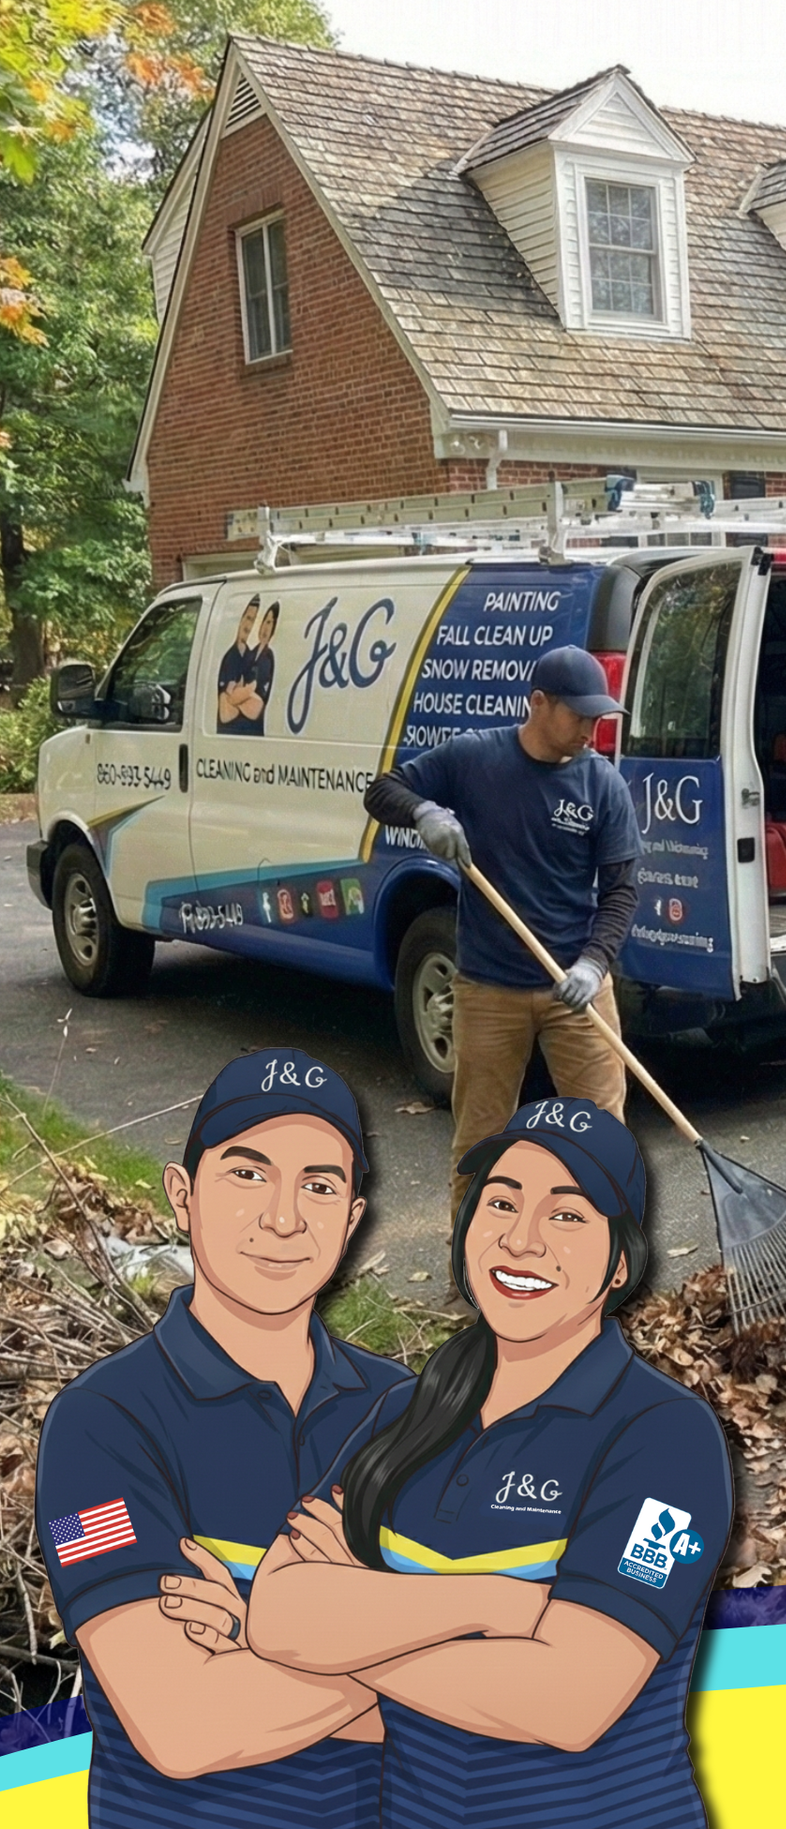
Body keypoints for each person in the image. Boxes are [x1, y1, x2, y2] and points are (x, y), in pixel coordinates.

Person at [244, 1099, 732, 1829]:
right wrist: (493, 1604)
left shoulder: (665, 1438)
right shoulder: (406, 1415)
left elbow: (568, 1700)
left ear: (620, 1260)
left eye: (567, 1216)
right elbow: (277, 1612)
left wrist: (349, 1632)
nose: (522, 1239)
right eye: (501, 1202)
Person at [35, 1051, 410, 1827]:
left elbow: (515, 1716)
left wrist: (259, 1645)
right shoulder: (99, 1426)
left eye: (318, 1185)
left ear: (350, 1218)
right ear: (183, 1195)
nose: (283, 1217)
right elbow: (182, 1724)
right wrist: (408, 1648)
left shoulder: (405, 1413)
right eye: (247, 1174)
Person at [362, 646, 642, 1218]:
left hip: (576, 990)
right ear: (538, 703)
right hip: (489, 989)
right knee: (481, 1143)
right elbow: (381, 790)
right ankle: (471, 1277)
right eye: (580, 716)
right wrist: (424, 813)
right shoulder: (475, 759)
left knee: (601, 1139)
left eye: (598, 718)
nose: (591, 729)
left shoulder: (603, 786)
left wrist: (593, 964)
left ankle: (603, 1274)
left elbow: (621, 891)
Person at [228, 601, 279, 736]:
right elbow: (232, 688)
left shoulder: (268, 658)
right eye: (265, 621)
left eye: (270, 622)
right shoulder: (249, 654)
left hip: (254, 730)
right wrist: (241, 694)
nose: (265, 628)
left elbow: (258, 703)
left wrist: (235, 698)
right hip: (236, 730)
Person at [215, 594, 259, 728]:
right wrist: (247, 692)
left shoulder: (252, 657)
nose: (249, 625)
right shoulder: (228, 657)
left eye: (254, 621)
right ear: (240, 619)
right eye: (248, 618)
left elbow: (256, 707)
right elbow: (226, 702)